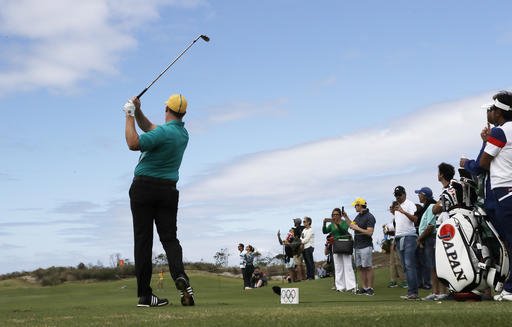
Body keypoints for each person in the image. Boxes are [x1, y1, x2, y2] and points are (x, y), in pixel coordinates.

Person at [124, 94, 194, 307]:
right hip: (168, 191)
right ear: (183, 113)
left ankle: (145, 296)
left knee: (143, 242)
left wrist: (128, 115)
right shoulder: (183, 134)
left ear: (167, 109)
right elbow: (150, 128)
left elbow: (133, 143)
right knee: (170, 239)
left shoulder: (163, 133)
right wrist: (137, 110)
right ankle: (180, 276)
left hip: (143, 188)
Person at [479, 90, 512, 301]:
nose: (489, 112)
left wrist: (486, 141)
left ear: (499, 112)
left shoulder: (500, 132)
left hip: (504, 191)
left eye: (491, 109)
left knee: (510, 242)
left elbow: (482, 163)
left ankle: (510, 288)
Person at [343, 197, 376, 296]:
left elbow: (370, 232)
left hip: (366, 245)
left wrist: (358, 228)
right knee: (360, 267)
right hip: (357, 245)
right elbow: (351, 225)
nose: (355, 207)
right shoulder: (358, 216)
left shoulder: (370, 217)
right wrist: (346, 217)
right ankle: (364, 287)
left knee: (368, 267)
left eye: (356, 205)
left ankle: (370, 288)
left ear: (360, 205)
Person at [393, 185, 420, 300]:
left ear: (404, 194)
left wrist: (403, 212)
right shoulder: (396, 207)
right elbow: (399, 224)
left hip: (409, 236)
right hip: (399, 237)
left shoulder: (410, 204)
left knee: (409, 265)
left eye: (399, 195)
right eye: (396, 195)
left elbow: (415, 219)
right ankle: (410, 292)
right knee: (404, 266)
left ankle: (413, 292)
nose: (398, 197)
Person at [414, 187, 441, 301]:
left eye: (419, 194)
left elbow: (430, 226)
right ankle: (436, 292)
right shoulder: (428, 207)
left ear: (424, 195)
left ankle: (437, 292)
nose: (418, 196)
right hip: (428, 239)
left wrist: (420, 239)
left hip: (430, 239)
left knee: (434, 267)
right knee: (432, 267)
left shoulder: (430, 207)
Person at [322, 208, 356, 292]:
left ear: (340, 215)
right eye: (333, 215)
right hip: (335, 245)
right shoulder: (331, 224)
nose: (334, 216)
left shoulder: (344, 222)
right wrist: (324, 223)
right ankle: (340, 287)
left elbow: (344, 231)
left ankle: (351, 286)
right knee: (338, 266)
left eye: (336, 214)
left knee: (347, 265)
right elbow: (325, 231)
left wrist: (338, 224)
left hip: (345, 244)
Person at [385, 201, 406, 288]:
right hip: (394, 240)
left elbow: (400, 230)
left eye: (392, 207)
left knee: (399, 262)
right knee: (392, 262)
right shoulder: (394, 219)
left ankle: (404, 280)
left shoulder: (401, 217)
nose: (391, 209)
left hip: (400, 240)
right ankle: (393, 280)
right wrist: (389, 232)